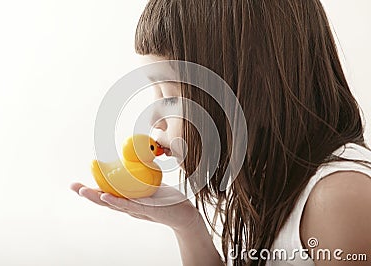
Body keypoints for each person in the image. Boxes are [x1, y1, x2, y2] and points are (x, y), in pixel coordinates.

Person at [71, 0, 371, 265]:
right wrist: (187, 226)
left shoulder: (337, 198)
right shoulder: (260, 183)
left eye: (170, 96)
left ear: (253, 88)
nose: (153, 119)